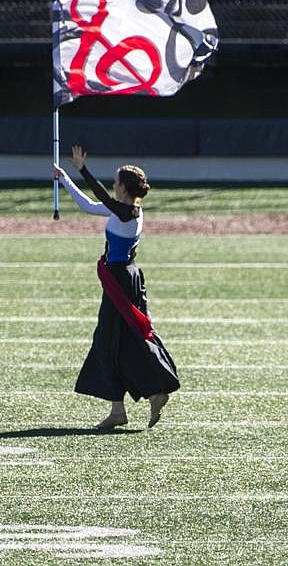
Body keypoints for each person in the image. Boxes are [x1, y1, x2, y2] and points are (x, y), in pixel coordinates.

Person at [53, 145, 180, 429]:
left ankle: (153, 392)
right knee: (117, 340)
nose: (112, 184)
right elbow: (89, 205)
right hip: (124, 278)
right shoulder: (124, 210)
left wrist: (81, 169)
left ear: (122, 187)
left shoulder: (127, 212)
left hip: (121, 280)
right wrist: (64, 178)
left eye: (115, 181)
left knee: (116, 339)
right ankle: (120, 409)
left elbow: (100, 197)